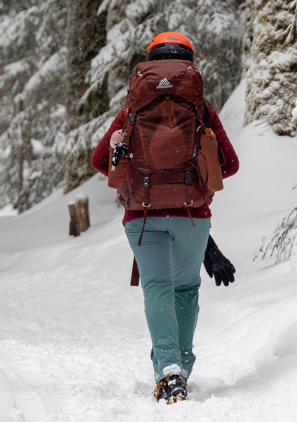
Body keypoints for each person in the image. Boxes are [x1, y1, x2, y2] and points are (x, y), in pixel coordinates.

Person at [91, 32, 239, 404]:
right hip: (192, 217)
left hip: (141, 217)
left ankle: (167, 370)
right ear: (189, 63)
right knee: (186, 289)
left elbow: (98, 161)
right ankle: (182, 367)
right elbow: (230, 165)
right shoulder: (202, 110)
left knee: (156, 287)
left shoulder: (131, 110)